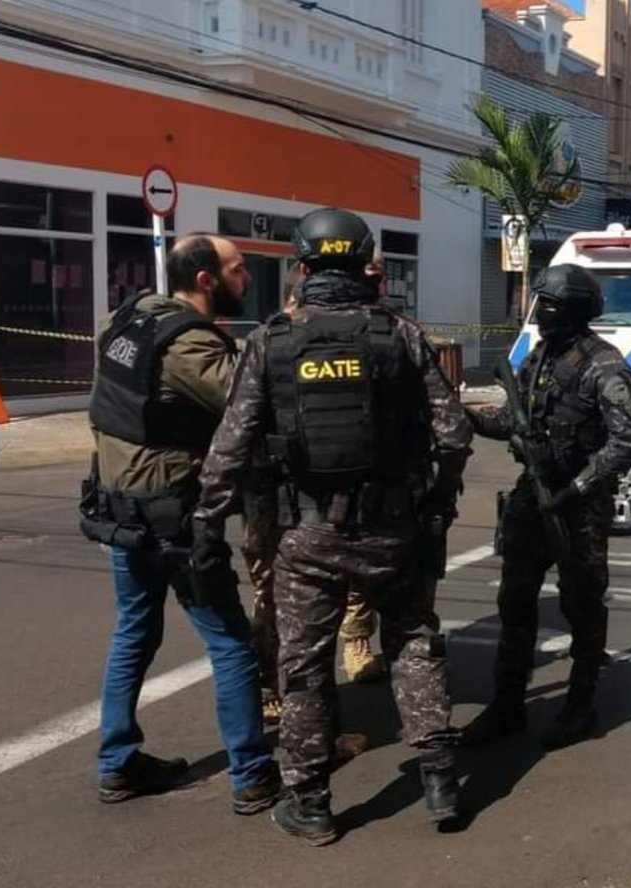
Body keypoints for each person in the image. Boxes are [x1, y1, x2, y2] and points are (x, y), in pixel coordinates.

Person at [192, 207, 472, 846]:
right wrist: (433, 501)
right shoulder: (399, 333)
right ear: (364, 264)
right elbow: (454, 433)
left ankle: (312, 803)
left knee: (305, 667)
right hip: (393, 528)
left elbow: (228, 450)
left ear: (302, 266)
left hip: (307, 536)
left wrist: (207, 526)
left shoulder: (271, 341)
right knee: (413, 644)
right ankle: (440, 783)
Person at [79, 234, 280, 815]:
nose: (248, 279)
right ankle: (252, 773)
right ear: (205, 280)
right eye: (239, 270)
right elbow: (250, 400)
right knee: (231, 641)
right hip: (174, 515)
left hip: (119, 508)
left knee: (133, 633)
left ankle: (117, 763)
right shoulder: (189, 345)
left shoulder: (123, 320)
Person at [458, 264, 631, 751]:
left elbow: (627, 439)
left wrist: (578, 486)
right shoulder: (537, 357)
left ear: (574, 309)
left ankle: (580, 705)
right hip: (533, 494)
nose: (539, 314)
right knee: (514, 602)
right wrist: (466, 415)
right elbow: (509, 421)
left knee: (581, 604)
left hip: (579, 503)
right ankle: (507, 705)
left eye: (549, 305)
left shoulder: (605, 364)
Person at [240, 275, 386, 728]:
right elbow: (238, 424)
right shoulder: (269, 343)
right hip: (273, 494)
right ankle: (268, 681)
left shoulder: (371, 335)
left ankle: (355, 643)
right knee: (273, 593)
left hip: (351, 490)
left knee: (357, 582)